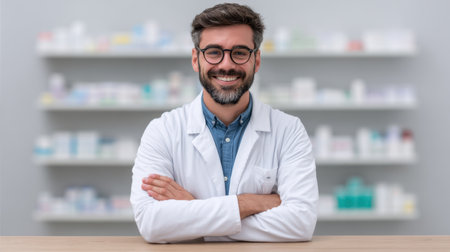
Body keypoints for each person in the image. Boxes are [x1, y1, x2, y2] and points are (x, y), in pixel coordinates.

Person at [130, 3, 318, 243]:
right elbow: (151, 223)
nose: (226, 65)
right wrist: (249, 203)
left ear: (256, 60)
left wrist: (194, 211)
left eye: (239, 52)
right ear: (196, 59)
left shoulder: (288, 130)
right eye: (214, 52)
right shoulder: (163, 131)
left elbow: (300, 223)